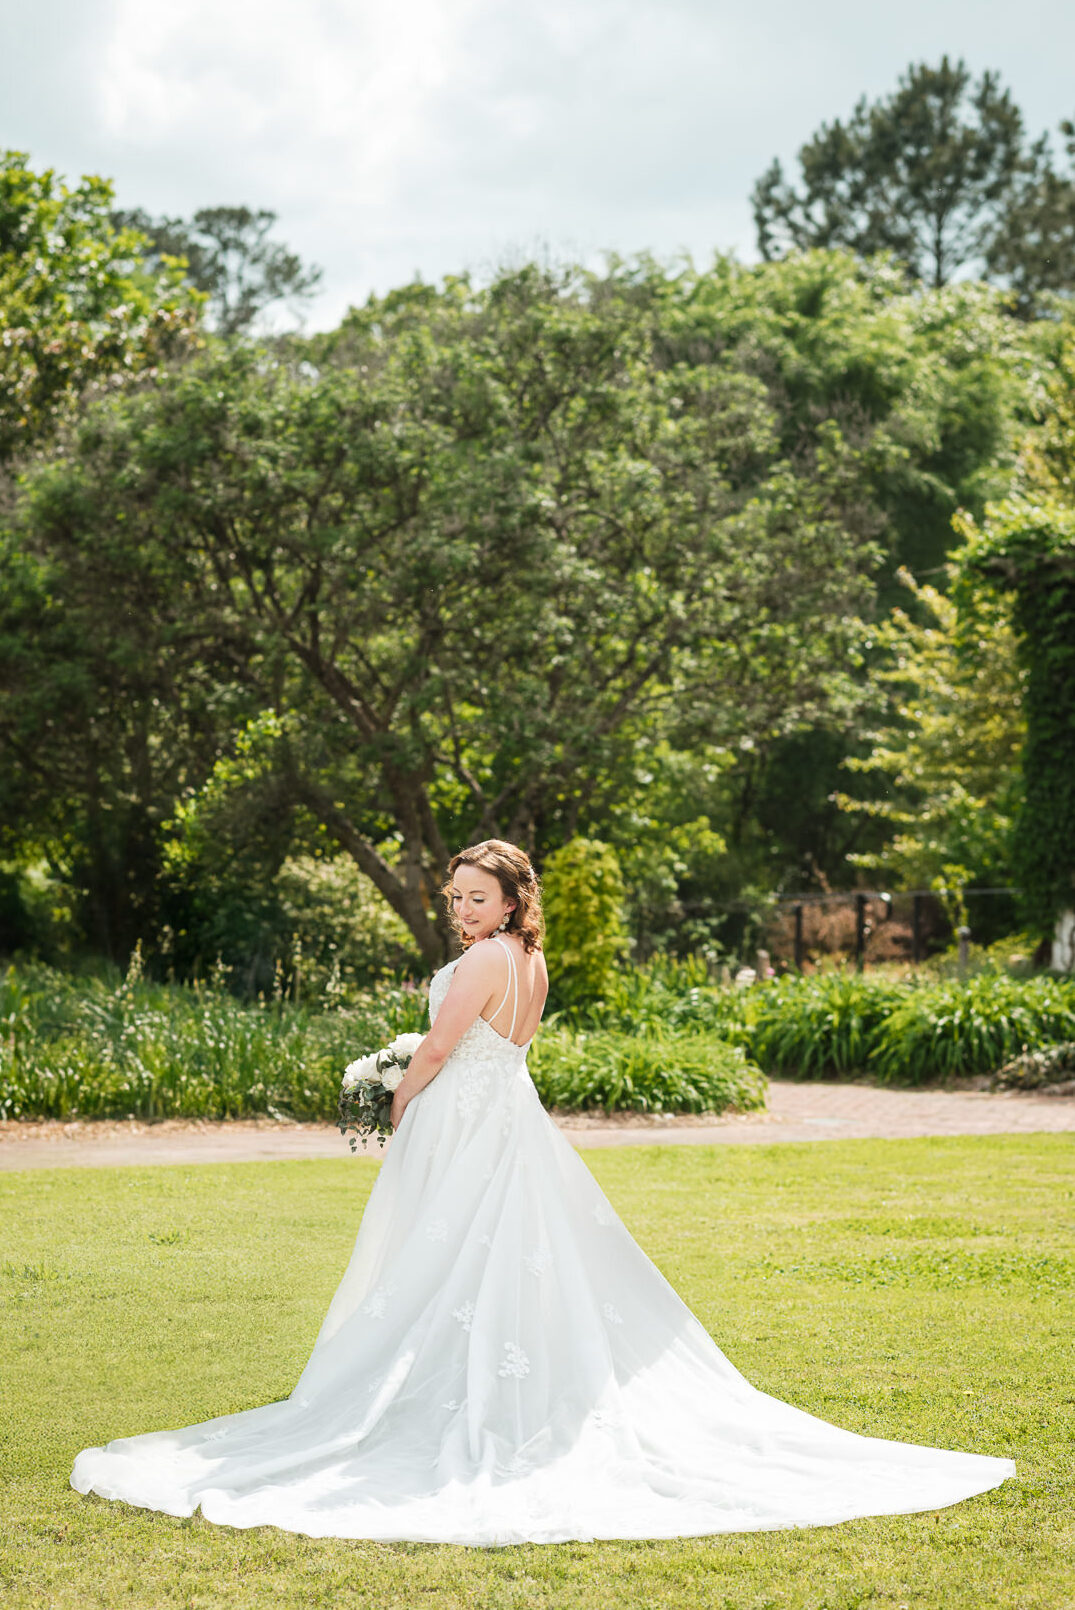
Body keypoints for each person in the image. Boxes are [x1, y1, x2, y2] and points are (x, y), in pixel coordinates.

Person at [71, 839, 1015, 1546]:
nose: (461, 911)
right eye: (454, 899)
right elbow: (506, 1048)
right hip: (511, 1123)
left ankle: (451, 1398)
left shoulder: (486, 958)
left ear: (513, 897)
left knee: (442, 1253)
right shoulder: (532, 962)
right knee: (486, 1256)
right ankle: (477, 1380)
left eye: (476, 898)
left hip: (461, 1120)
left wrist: (395, 1096)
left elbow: (443, 1049)